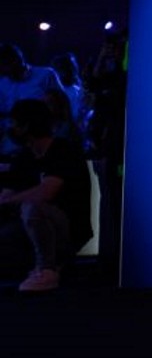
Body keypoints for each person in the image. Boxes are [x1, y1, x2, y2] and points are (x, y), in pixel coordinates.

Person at [0, 99, 92, 292]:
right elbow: (6, 194)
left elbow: (46, 192)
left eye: (15, 123)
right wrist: (8, 199)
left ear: (27, 125)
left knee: (33, 207)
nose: (11, 128)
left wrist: (11, 200)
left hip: (68, 228)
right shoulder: (24, 157)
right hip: (30, 227)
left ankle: (47, 269)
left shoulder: (63, 151)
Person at [0, 43, 65, 159]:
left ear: (18, 60)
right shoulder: (2, 83)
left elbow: (61, 106)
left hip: (41, 144)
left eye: (6, 64)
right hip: (11, 147)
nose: (4, 69)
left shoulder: (46, 75)